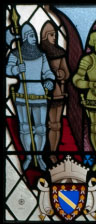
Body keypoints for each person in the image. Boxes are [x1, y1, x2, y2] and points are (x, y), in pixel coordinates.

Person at [6, 22, 55, 170]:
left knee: (40, 128)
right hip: (23, 94)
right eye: (32, 35)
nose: (35, 38)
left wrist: (49, 81)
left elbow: (48, 72)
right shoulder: (16, 54)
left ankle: (39, 157)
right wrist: (16, 69)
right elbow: (8, 70)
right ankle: (28, 156)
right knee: (25, 128)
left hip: (40, 94)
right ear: (25, 37)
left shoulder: (42, 55)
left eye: (35, 35)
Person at [72, 30, 96, 171]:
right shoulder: (88, 59)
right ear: (94, 42)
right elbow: (77, 79)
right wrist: (92, 84)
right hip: (93, 99)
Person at [40, 21, 70, 163]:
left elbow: (67, 73)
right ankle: (42, 152)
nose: (54, 37)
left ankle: (53, 152)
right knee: (42, 124)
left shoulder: (60, 52)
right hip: (42, 93)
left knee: (56, 124)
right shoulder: (39, 53)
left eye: (55, 35)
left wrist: (61, 74)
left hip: (58, 91)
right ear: (45, 36)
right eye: (51, 35)